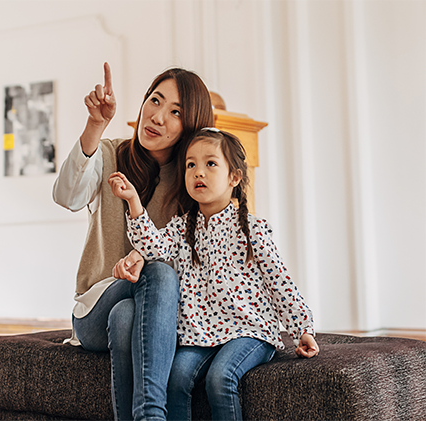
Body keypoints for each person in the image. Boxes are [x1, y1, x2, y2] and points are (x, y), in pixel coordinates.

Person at [109, 128, 319, 421]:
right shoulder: (183, 227)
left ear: (234, 177)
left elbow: (280, 282)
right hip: (199, 333)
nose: (198, 172)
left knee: (220, 378)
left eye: (210, 164)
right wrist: (133, 201)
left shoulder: (252, 229)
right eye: (191, 165)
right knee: (176, 378)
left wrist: (302, 329)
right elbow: (152, 247)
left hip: (249, 330)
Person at [52, 62, 213, 421]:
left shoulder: (190, 180)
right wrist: (95, 124)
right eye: (154, 101)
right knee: (158, 274)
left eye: (175, 113)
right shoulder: (109, 154)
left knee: (127, 318)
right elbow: (67, 195)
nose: (157, 117)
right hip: (95, 310)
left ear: (190, 126)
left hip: (141, 314)